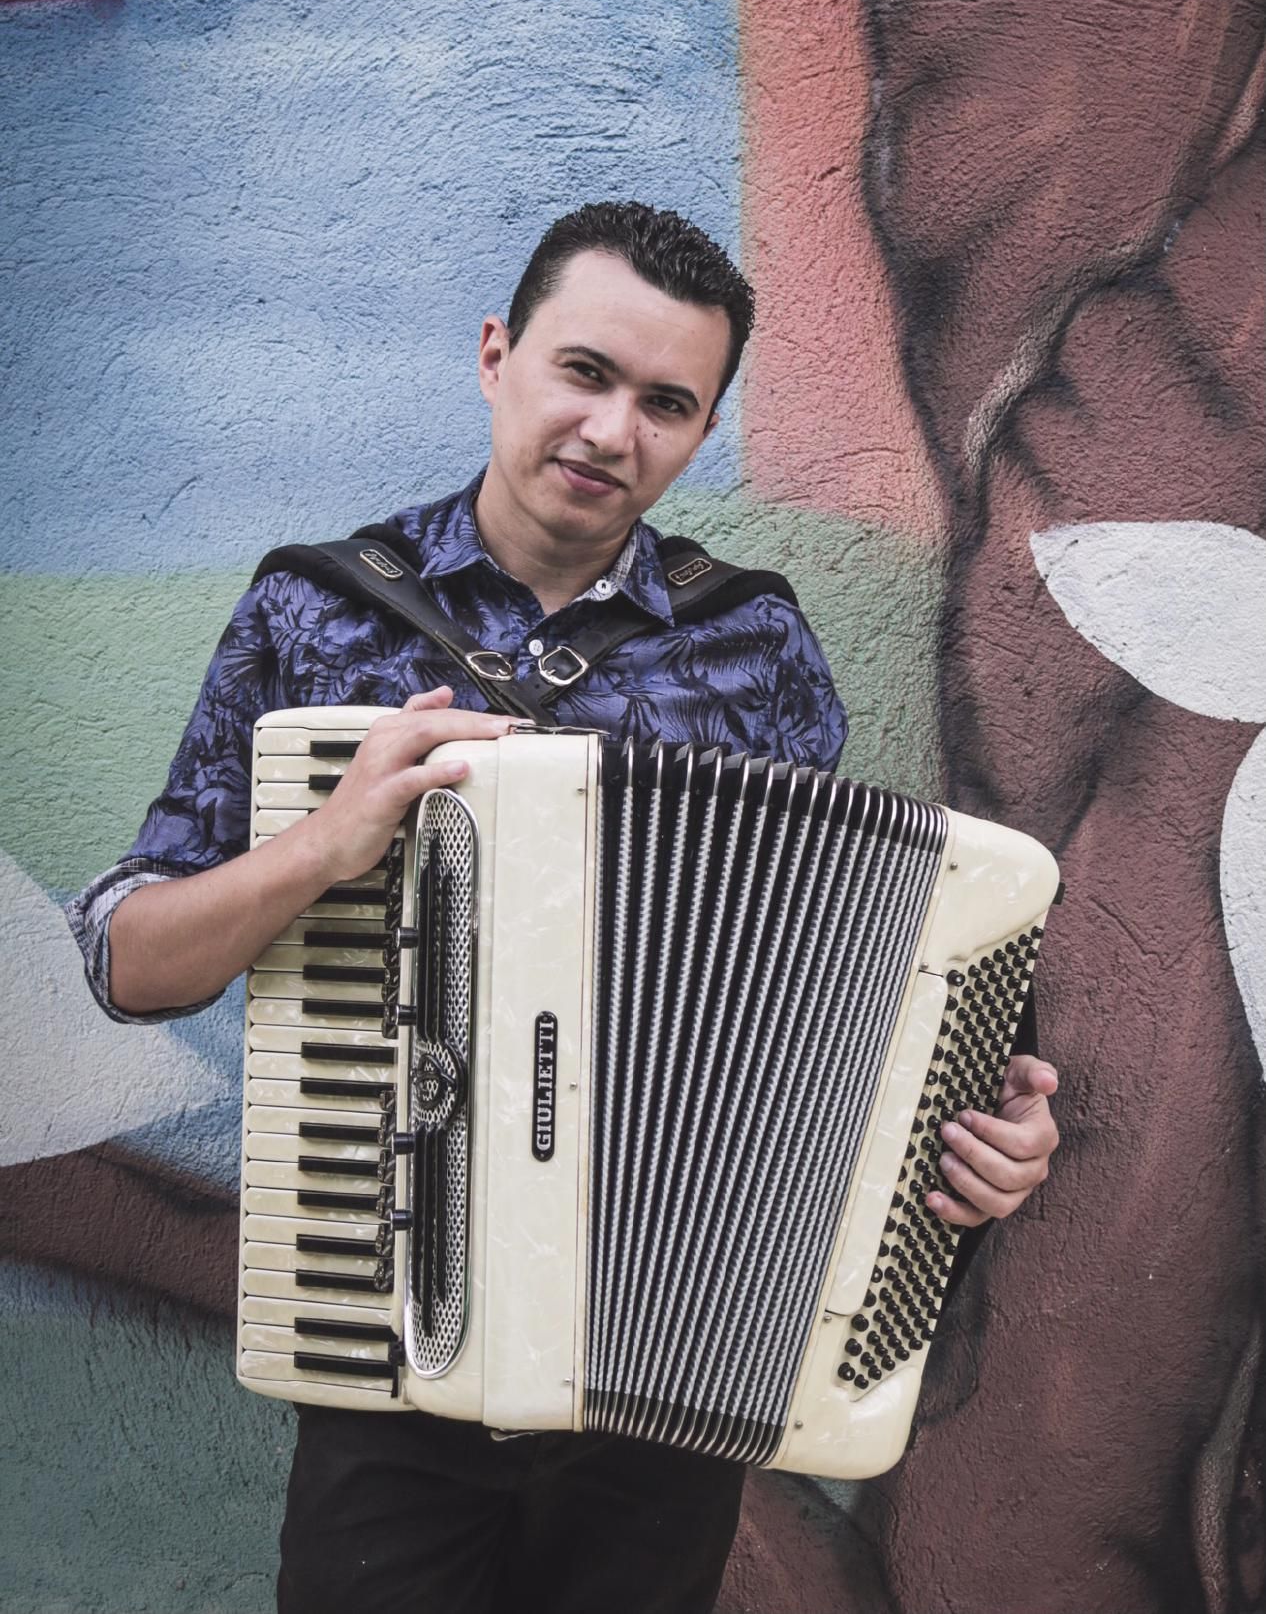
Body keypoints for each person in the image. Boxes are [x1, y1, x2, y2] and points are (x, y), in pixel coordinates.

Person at [67, 200, 1059, 1614]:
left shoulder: (753, 642)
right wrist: (318, 846)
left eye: (665, 403)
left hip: (664, 1370)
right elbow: (126, 961)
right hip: (386, 1347)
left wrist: (976, 1127)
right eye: (583, 372)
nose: (612, 431)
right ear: (497, 355)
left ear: (700, 430)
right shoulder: (314, 613)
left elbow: (835, 988)